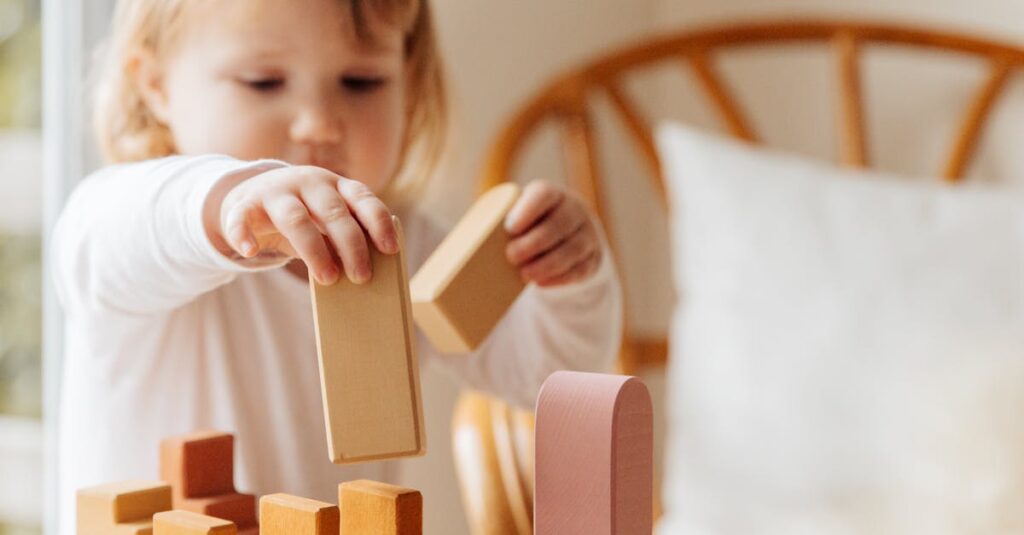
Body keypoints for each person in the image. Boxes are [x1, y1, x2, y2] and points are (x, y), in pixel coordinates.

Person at [53, 0, 621, 531]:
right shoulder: (143, 224)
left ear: (410, 87)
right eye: (263, 82)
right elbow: (102, 241)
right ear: (155, 86)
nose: (319, 123)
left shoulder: (404, 244)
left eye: (361, 82)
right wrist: (228, 204)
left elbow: (545, 379)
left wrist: (567, 282)